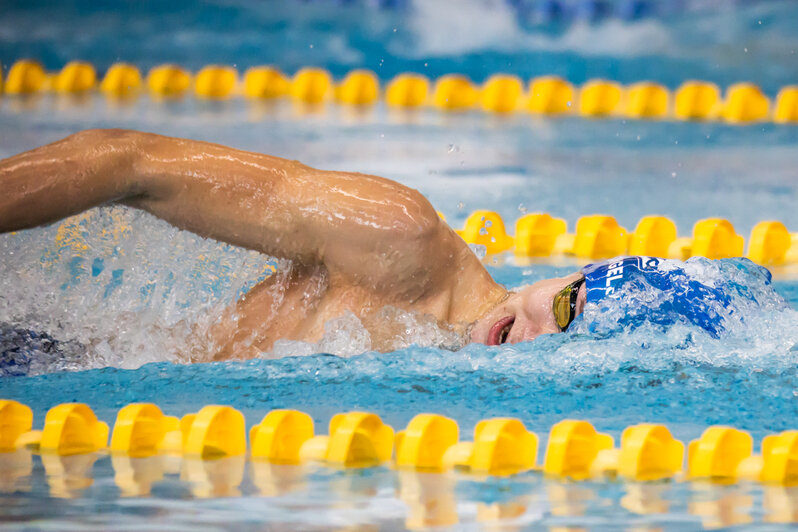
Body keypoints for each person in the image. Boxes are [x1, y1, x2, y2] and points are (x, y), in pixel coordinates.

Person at [0, 129, 777, 360]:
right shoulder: (402, 244)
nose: (538, 337)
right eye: (566, 307)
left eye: (575, 344)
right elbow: (129, 162)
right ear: (573, 271)